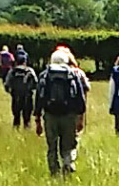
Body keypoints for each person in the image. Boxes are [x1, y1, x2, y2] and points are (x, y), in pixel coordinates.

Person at [34, 48, 87, 176]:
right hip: (69, 115)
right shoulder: (72, 74)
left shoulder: (45, 75)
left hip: (50, 115)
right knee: (68, 144)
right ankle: (67, 164)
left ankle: (54, 172)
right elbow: (80, 98)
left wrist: (37, 119)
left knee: (52, 146)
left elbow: (39, 98)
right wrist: (80, 117)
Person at [4, 55, 38, 128]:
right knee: (27, 116)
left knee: (16, 116)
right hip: (27, 96)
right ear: (25, 62)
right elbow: (36, 82)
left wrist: (10, 92)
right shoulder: (29, 70)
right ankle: (27, 128)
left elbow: (7, 84)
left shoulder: (13, 71)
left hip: (16, 96)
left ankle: (16, 128)